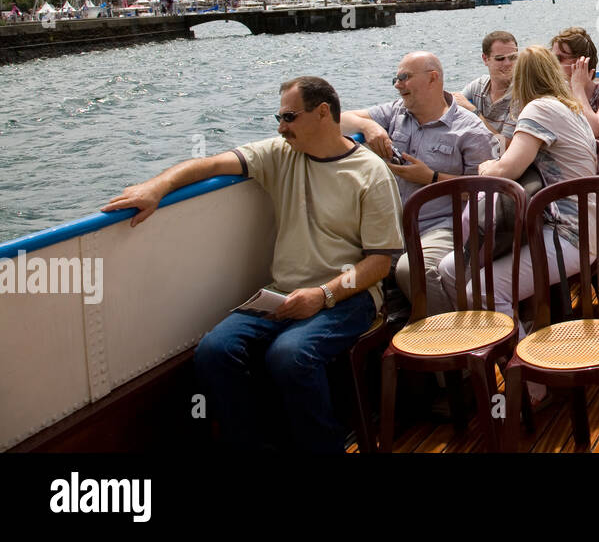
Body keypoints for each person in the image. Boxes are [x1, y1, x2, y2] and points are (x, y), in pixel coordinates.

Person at [102, 76, 403, 452]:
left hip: (350, 296)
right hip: (281, 292)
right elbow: (209, 164)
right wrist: (156, 188)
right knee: (215, 351)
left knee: (290, 356)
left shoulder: (370, 174)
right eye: (278, 117)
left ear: (323, 112)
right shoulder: (280, 154)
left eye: (289, 117)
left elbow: (380, 262)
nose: (281, 127)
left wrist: (322, 294)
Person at [442, 45, 598, 318]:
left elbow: (506, 170)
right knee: (449, 269)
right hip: (575, 226)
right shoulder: (570, 108)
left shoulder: (538, 109)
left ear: (520, 80)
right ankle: (482, 344)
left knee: (479, 292)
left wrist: (484, 168)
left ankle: (520, 357)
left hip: (568, 235)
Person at [340, 52, 494, 312]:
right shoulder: (396, 113)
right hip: (392, 226)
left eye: (405, 77)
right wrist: (370, 128)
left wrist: (432, 178)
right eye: (396, 79)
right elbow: (341, 119)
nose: (398, 85)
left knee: (412, 268)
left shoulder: (469, 130)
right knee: (339, 261)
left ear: (433, 78)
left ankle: (451, 335)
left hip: (442, 227)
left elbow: (483, 192)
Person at [551, 26, 599, 147]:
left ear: (581, 61)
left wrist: (578, 88)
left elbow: (594, 129)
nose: (553, 64)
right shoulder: (556, 96)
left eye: (559, 58)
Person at [458, 30, 519, 148]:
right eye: (500, 59)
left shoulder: (521, 95)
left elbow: (504, 148)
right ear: (485, 59)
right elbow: (452, 105)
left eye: (512, 57)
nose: (508, 63)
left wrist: (474, 113)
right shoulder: (478, 85)